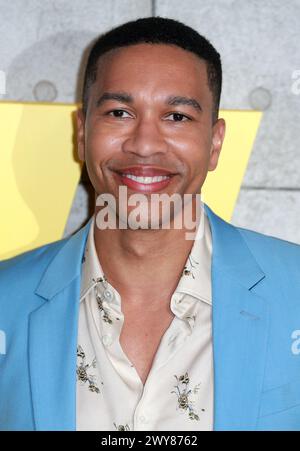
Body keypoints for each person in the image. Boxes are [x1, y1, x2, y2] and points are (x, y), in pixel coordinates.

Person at [1, 16, 300, 432]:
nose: (144, 144)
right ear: (82, 132)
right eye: (120, 112)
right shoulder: (5, 302)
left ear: (215, 144)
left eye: (176, 116)